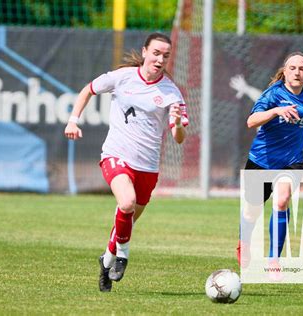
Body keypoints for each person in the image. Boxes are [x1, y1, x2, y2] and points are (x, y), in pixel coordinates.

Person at [64, 32, 188, 292]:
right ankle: (122, 256)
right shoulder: (121, 78)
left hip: (148, 166)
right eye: (155, 53)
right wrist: (73, 120)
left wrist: (176, 123)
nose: (160, 59)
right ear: (144, 52)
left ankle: (106, 260)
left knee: (127, 219)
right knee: (127, 202)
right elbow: (88, 89)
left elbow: (179, 138)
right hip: (116, 155)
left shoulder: (172, 92)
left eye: (165, 55)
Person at [238, 52, 303, 278]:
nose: (297, 72)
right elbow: (251, 121)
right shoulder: (273, 93)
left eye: (302, 69)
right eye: (293, 68)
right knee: (251, 212)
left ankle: (273, 260)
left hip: (292, 162)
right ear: (285, 72)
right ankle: (244, 243)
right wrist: (276, 111)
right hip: (261, 161)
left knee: (282, 200)